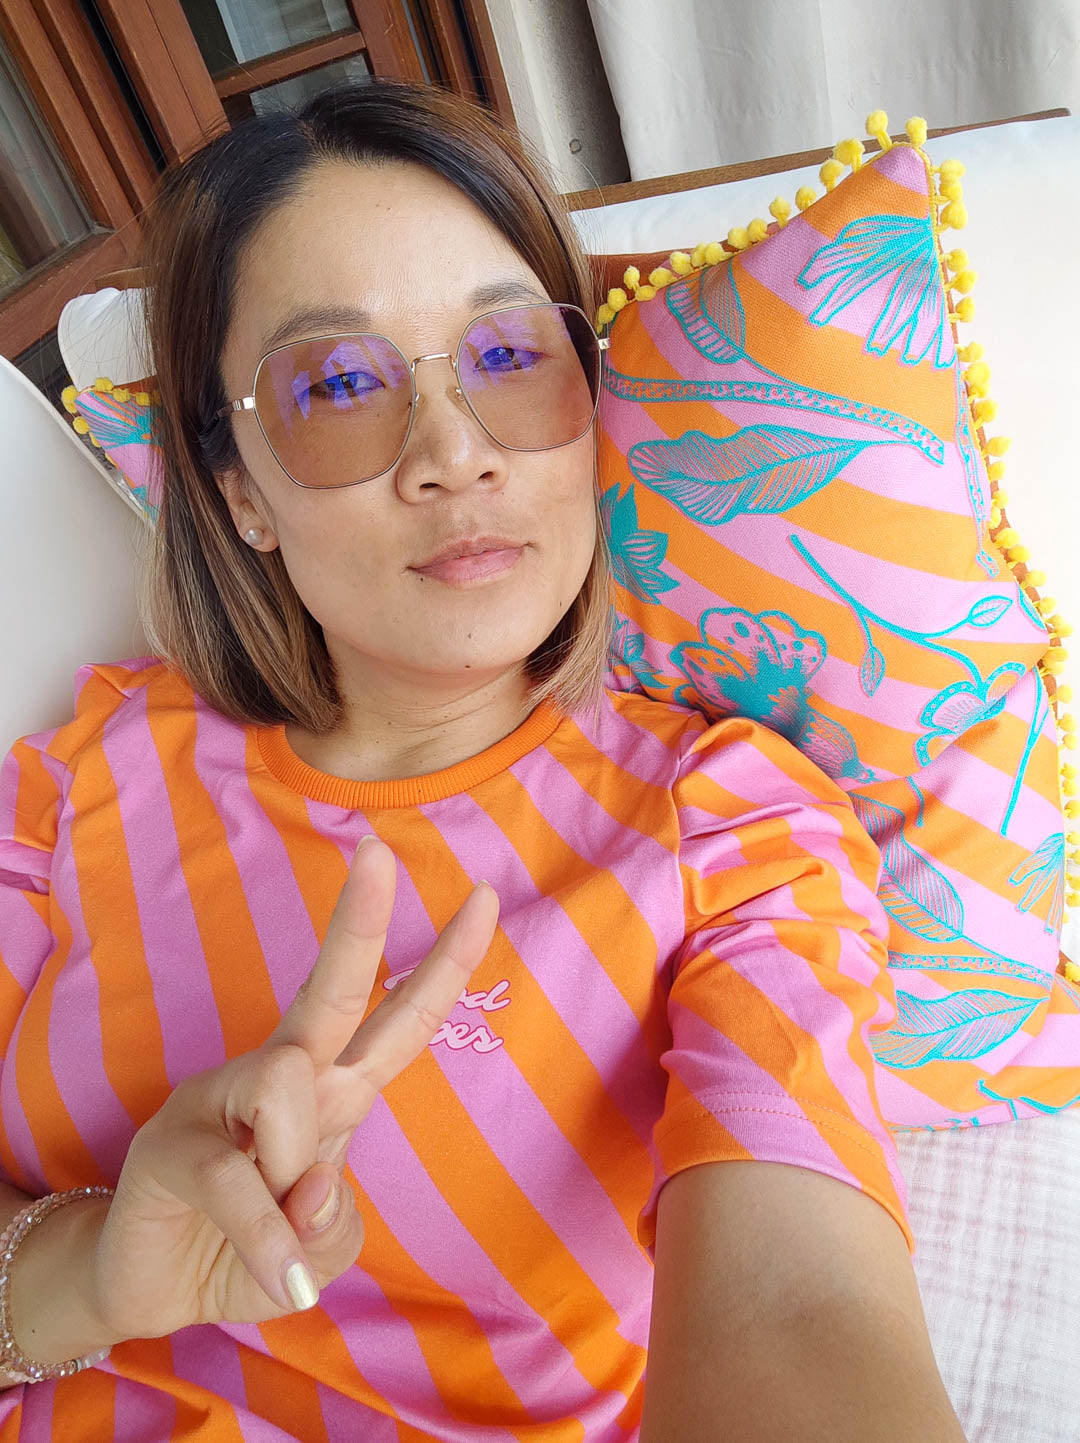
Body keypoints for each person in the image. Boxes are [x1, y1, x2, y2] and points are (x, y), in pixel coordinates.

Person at [0, 80, 966, 1440]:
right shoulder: (71, 787)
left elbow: (801, 1310)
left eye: (512, 357)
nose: (454, 456)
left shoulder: (726, 830)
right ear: (240, 494)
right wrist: (89, 1276)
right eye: (340, 386)